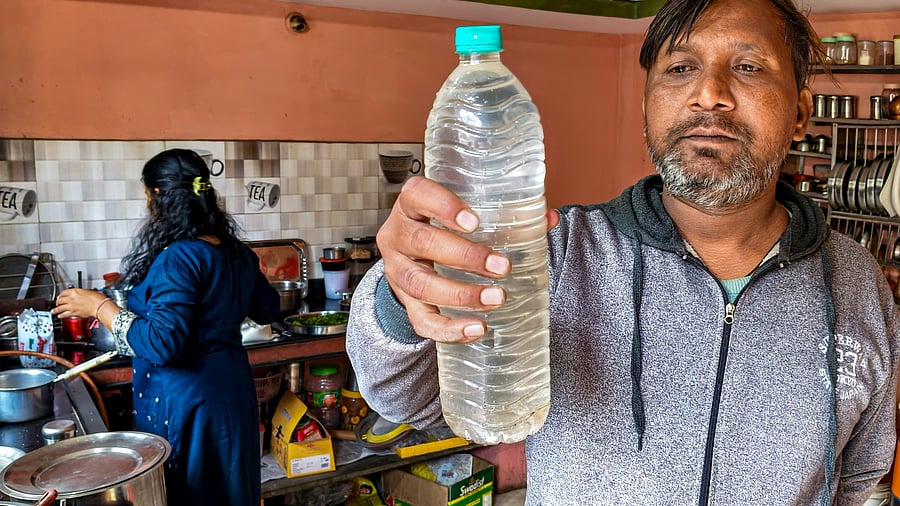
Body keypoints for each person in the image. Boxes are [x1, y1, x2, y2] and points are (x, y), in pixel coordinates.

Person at [345, 0, 900, 503]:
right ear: (647, 107)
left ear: (802, 112)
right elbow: (408, 400)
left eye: (749, 67)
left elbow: (857, 474)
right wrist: (402, 292)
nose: (708, 93)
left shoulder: (855, 283)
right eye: (680, 69)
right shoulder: (555, 253)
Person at [52, 148, 279, 506]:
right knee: (232, 491)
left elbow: (161, 343)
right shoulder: (234, 251)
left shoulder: (180, 256)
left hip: (187, 405)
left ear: (158, 195)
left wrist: (100, 306)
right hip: (231, 395)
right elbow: (269, 308)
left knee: (194, 494)